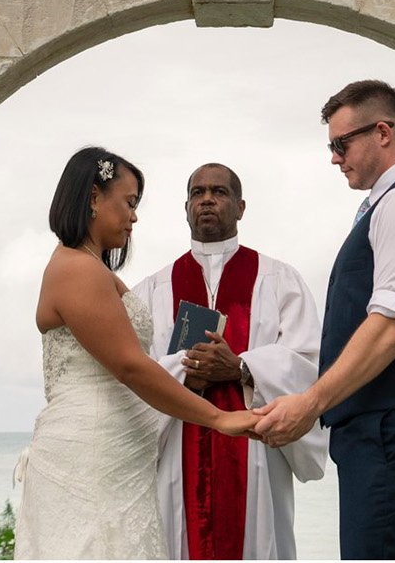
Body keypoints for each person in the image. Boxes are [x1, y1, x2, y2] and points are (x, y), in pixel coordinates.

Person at [17, 147, 263, 559]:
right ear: (95, 196)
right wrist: (220, 418)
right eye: (130, 203)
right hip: (91, 453)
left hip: (119, 457)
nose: (134, 216)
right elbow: (131, 366)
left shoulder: (92, 268)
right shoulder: (76, 269)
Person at [252, 80, 395, 562]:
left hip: (392, 423)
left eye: (340, 144)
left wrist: (309, 404)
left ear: (383, 132)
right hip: (380, 423)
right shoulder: (386, 206)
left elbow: (392, 323)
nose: (333, 157)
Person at [131, 163, 327, 559]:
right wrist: (185, 373)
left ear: (240, 207)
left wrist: (241, 367)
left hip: (256, 456)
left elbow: (307, 362)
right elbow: (131, 372)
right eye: (197, 192)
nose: (207, 199)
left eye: (219, 192)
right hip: (176, 454)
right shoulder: (152, 290)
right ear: (186, 207)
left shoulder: (279, 280)